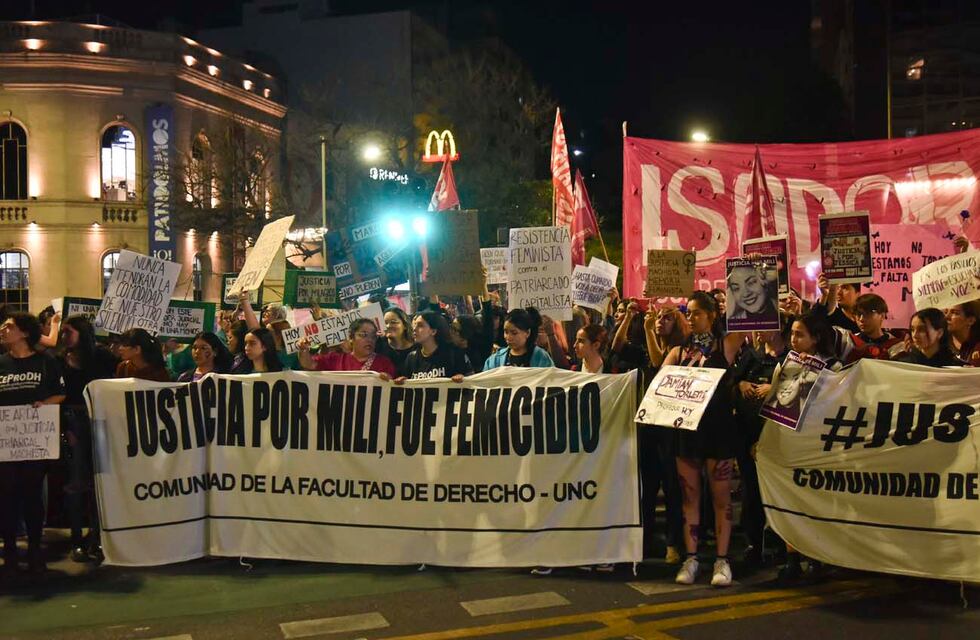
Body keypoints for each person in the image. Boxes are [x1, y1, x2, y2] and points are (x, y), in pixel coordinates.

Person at [661, 291, 744, 587]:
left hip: (718, 430)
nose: (692, 317)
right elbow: (661, 383)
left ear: (712, 315)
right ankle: (692, 558)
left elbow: (751, 317)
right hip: (687, 431)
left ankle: (722, 559)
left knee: (721, 497)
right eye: (689, 312)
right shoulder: (679, 351)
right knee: (690, 497)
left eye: (697, 312)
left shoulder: (726, 345)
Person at [0, 313, 66, 575]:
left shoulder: (46, 362)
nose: (3, 329)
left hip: (35, 442)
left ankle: (35, 548)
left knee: (32, 495)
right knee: (6, 497)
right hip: (6, 444)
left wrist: (44, 404)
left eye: (9, 326)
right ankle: (10, 550)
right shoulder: (1, 363)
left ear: (25, 333)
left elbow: (60, 393)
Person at [731, 315, 792, 568]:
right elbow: (733, 380)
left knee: (778, 492)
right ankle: (753, 543)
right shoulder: (752, 356)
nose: (759, 330)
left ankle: (780, 545)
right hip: (748, 433)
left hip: (776, 437)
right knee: (751, 489)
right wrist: (742, 383)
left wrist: (774, 388)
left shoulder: (790, 359)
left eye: (765, 325)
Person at [58, 316, 118, 562]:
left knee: (100, 481)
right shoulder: (59, 360)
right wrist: (66, 428)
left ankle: (97, 536)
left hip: (100, 419)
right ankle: (77, 539)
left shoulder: (101, 356)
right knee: (76, 482)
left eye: (68, 332)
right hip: (74, 420)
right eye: (62, 332)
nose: (63, 337)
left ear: (81, 333)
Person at [297, 319, 396, 375]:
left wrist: (388, 382)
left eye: (373, 336)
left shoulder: (384, 363)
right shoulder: (334, 359)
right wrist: (303, 349)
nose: (369, 340)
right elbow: (309, 364)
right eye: (363, 335)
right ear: (351, 337)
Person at [827, 293, 904, 363]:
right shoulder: (848, 342)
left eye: (867, 314)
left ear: (882, 316)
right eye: (858, 314)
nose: (861, 319)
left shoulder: (897, 346)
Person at [398, 311, 473, 381]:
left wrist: (463, 378)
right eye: (414, 325)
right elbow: (406, 382)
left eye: (420, 325)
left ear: (433, 331)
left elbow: (471, 379)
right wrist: (403, 381)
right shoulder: (411, 358)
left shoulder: (454, 353)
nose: (414, 329)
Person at [483, 308, 555, 370]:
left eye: (514, 333)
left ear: (527, 333)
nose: (508, 337)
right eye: (506, 332)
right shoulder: (495, 360)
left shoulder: (541, 357)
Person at [897, 308, 964, 367]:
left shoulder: (956, 367)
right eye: (912, 330)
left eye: (922, 329)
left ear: (939, 333)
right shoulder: (904, 365)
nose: (914, 335)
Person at [379, 307, 416, 376]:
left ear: (405, 325)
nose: (388, 326)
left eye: (393, 322)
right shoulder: (379, 346)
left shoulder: (418, 348)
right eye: (385, 323)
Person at [945, 301, 980, 366]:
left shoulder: (977, 346)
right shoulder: (941, 342)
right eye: (945, 312)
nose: (946, 317)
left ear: (970, 320)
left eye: (955, 313)